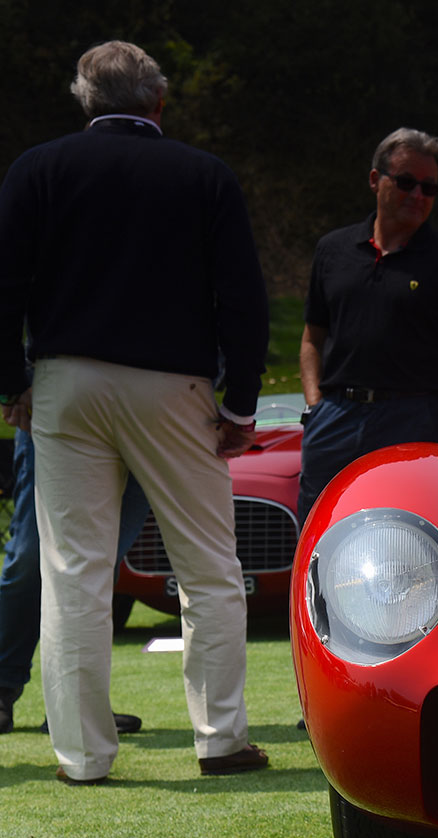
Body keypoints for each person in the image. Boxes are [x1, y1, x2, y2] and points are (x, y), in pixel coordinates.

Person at [0, 41, 269, 782]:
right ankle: (220, 740)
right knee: (210, 568)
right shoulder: (203, 175)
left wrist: (12, 383)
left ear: (85, 102)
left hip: (66, 383)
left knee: (74, 570)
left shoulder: (39, 169)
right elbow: (242, 300)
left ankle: (83, 755)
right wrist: (240, 404)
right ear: (157, 101)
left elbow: (5, 288)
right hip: (172, 387)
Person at [297, 127, 438, 521]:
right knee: (319, 527)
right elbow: (312, 337)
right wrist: (316, 406)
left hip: (412, 420)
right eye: (405, 182)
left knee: (403, 532)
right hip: (335, 416)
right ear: (374, 180)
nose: (417, 196)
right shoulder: (333, 250)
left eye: (428, 188)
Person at [0, 429, 150, 734]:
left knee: (99, 567)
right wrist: (13, 392)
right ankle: (3, 687)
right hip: (53, 413)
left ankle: (79, 703)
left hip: (142, 417)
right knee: (29, 556)